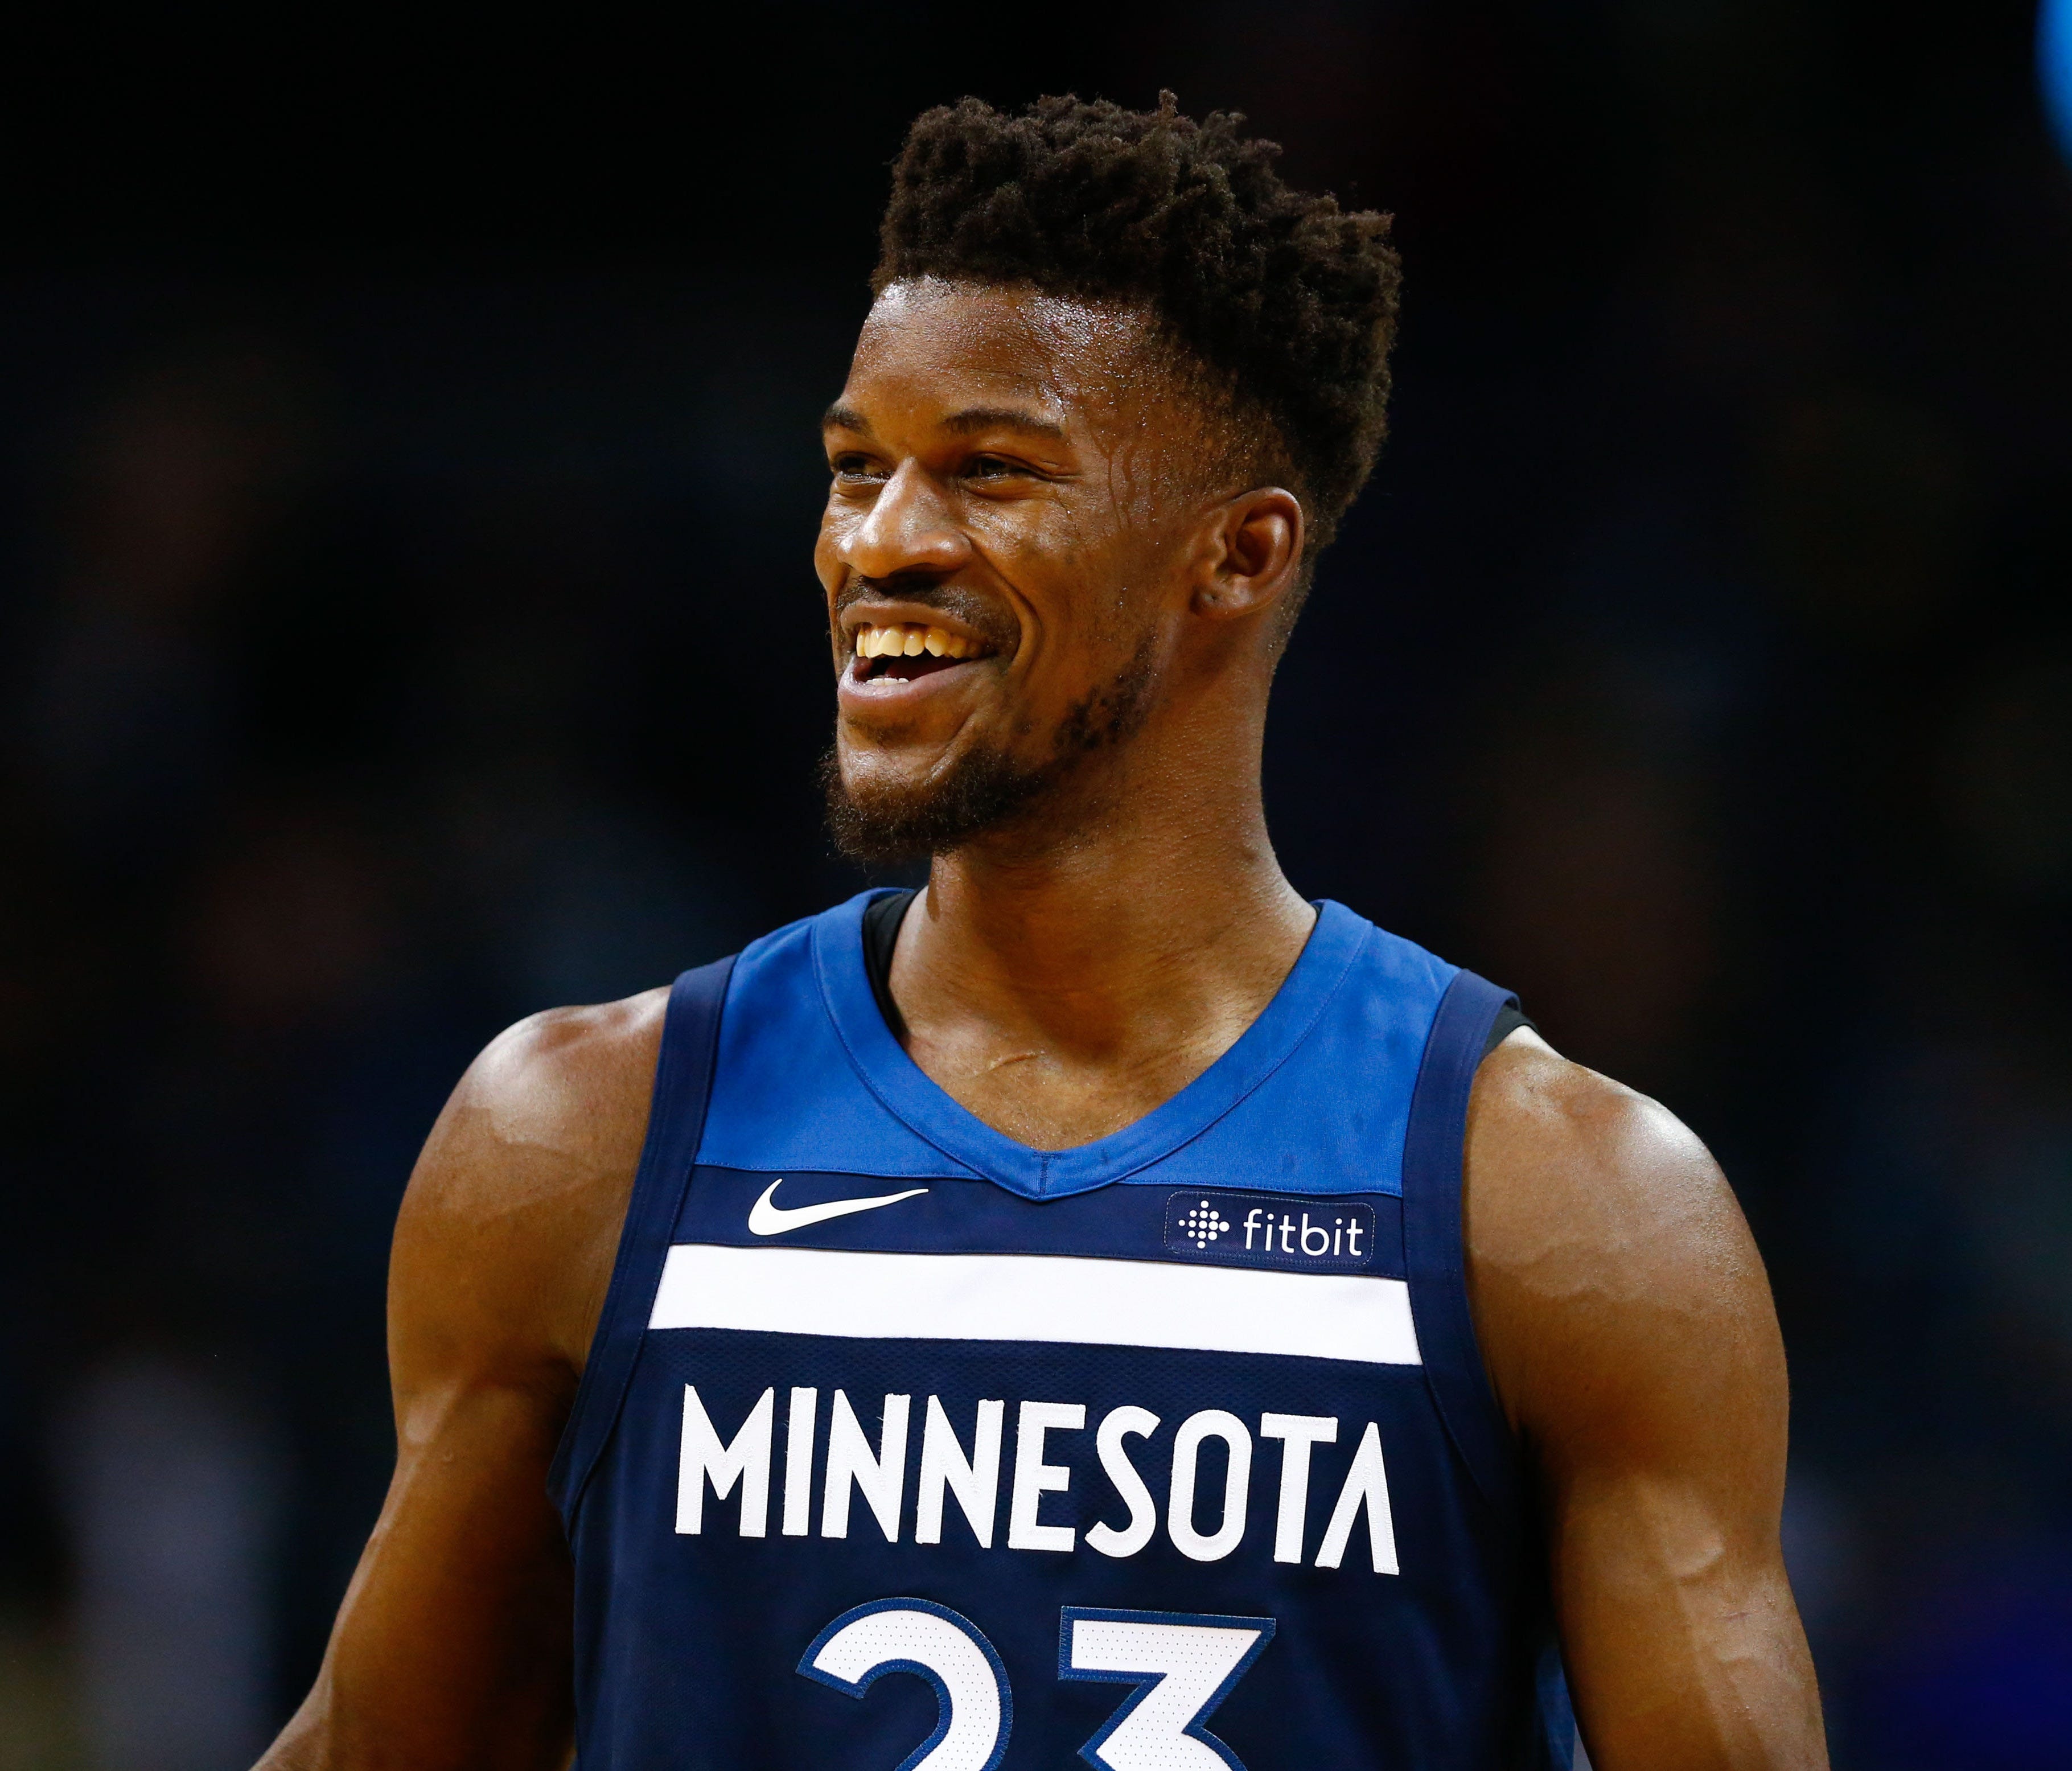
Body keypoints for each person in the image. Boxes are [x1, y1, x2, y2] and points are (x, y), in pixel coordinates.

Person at [258, 95, 1827, 1771]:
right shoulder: (583, 1136)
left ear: (1237, 554)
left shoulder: (1557, 1203)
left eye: (990, 471)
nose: (879, 543)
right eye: (857, 468)